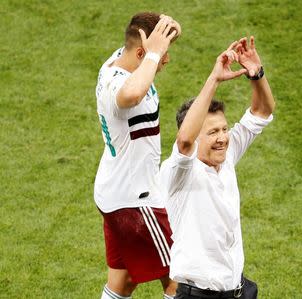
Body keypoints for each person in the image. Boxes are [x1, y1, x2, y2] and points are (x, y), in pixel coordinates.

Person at [160, 36, 275, 299]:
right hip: (198, 295)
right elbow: (185, 140)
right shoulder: (179, 172)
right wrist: (214, 78)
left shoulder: (227, 153)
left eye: (224, 128)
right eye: (212, 132)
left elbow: (262, 111)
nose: (223, 137)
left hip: (238, 290)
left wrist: (257, 74)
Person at [94, 12, 181, 299]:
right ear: (143, 52)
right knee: (180, 277)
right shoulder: (118, 87)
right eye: (163, 54)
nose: (166, 60)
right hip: (135, 201)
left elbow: (140, 32)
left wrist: (166, 30)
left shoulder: (119, 59)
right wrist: (155, 55)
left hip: (115, 193)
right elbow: (130, 95)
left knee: (125, 280)